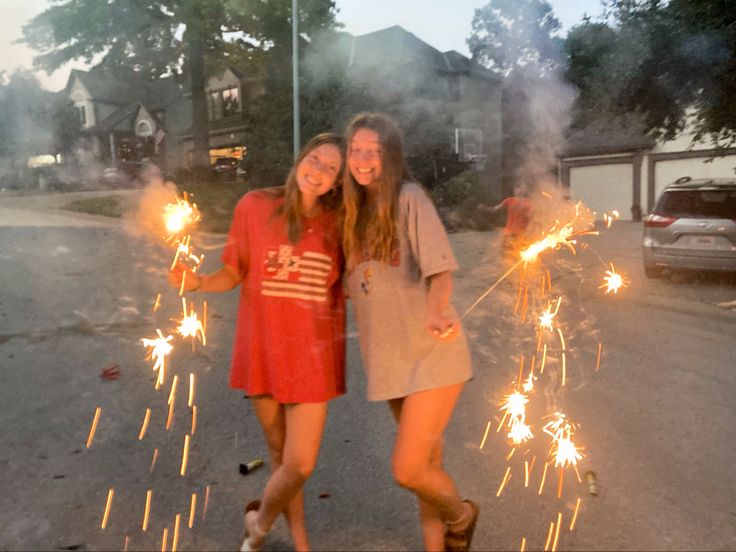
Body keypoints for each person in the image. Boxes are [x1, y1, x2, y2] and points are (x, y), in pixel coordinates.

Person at [168, 133, 345, 552]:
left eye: (331, 168)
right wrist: (198, 282)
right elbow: (234, 271)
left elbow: (354, 282)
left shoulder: (340, 222)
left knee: (299, 463)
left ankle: (258, 524)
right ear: (300, 157)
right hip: (263, 352)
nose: (318, 171)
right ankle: (301, 546)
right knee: (283, 461)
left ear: (338, 181)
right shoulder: (254, 206)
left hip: (313, 358)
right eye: (315, 159)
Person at [342, 112, 479, 552]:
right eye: (356, 150)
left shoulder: (408, 197)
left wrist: (436, 310)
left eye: (374, 152)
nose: (363, 160)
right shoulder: (351, 216)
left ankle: (462, 516)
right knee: (428, 463)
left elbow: (440, 272)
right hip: (390, 360)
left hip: (432, 351)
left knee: (407, 469)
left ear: (391, 157)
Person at [490, 184, 532, 254]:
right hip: (509, 231)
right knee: (505, 251)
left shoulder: (528, 203)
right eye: (517, 188)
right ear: (514, 190)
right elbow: (496, 209)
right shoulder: (509, 201)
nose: (519, 191)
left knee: (518, 252)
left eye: (522, 189)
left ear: (525, 191)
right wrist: (485, 209)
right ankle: (505, 264)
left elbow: (533, 215)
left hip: (521, 232)